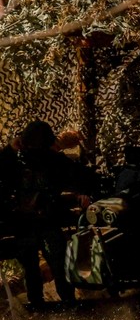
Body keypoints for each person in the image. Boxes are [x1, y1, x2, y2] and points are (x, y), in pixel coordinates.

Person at [10, 120, 100, 307]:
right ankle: (40, 304)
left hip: (45, 220)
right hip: (25, 223)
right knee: (33, 266)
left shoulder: (52, 161)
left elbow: (83, 177)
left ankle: (66, 302)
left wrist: (83, 192)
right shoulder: (16, 161)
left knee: (57, 264)